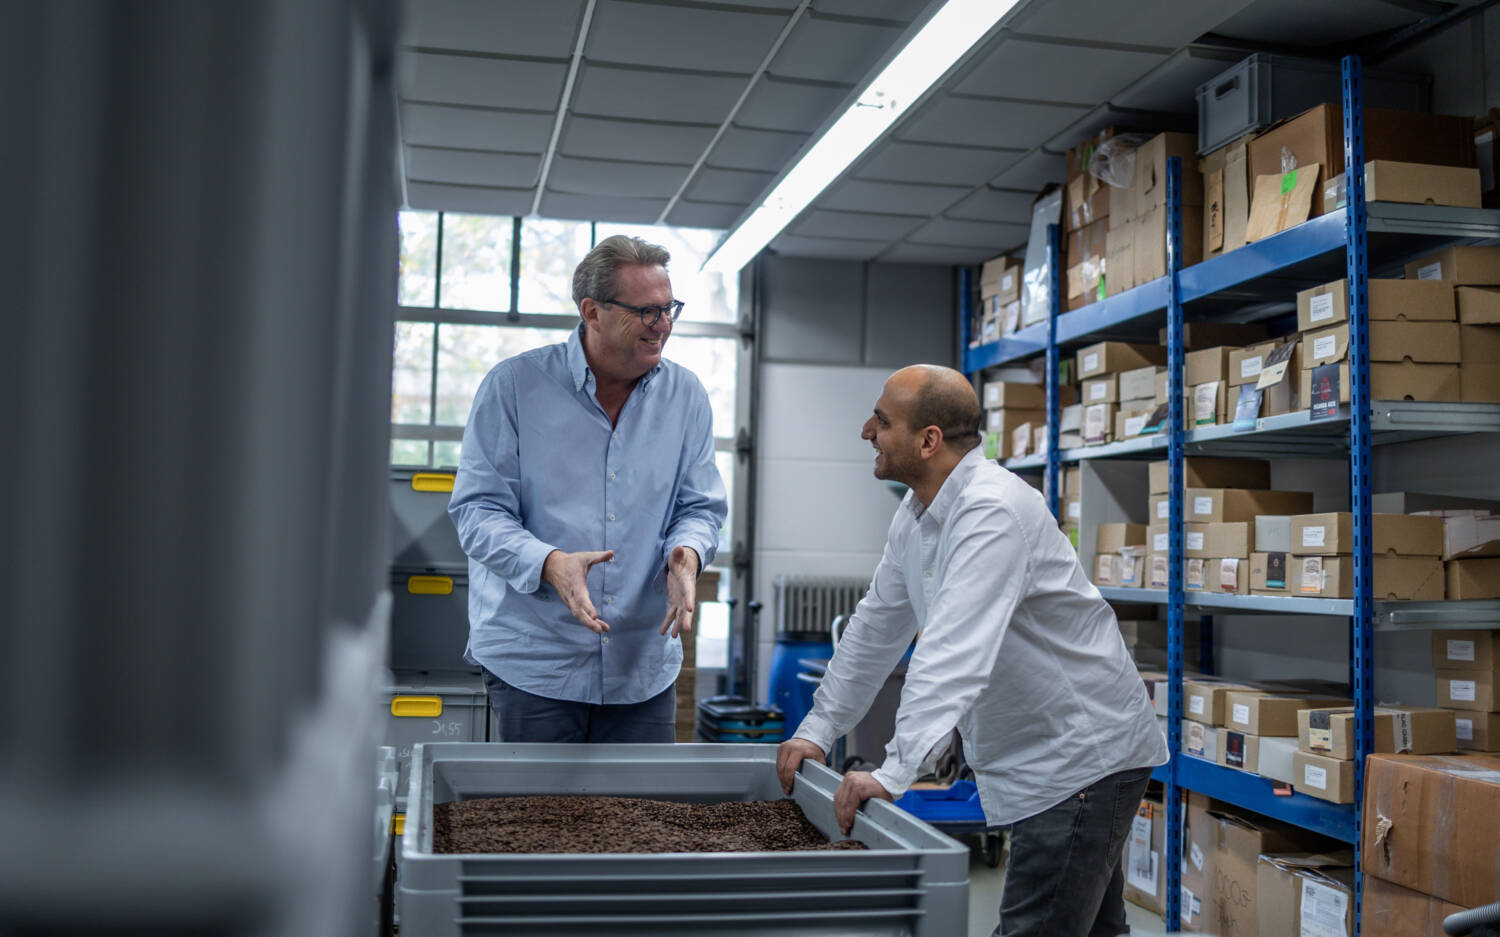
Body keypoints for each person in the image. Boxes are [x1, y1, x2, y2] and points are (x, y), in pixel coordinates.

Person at [776, 364, 1167, 937]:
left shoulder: (991, 511)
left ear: (928, 440)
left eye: (882, 421)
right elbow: (874, 629)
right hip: (1049, 757)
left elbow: (950, 652)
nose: (866, 430)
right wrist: (818, 728)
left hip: (1078, 759)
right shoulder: (916, 516)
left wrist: (893, 771)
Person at [449, 234, 727, 743]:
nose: (663, 325)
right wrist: (549, 563)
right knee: (536, 822)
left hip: (640, 666)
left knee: (640, 821)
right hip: (536, 662)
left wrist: (687, 552)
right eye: (646, 311)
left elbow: (700, 506)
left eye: (669, 309)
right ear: (592, 311)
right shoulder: (514, 387)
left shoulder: (686, 396)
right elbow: (478, 511)